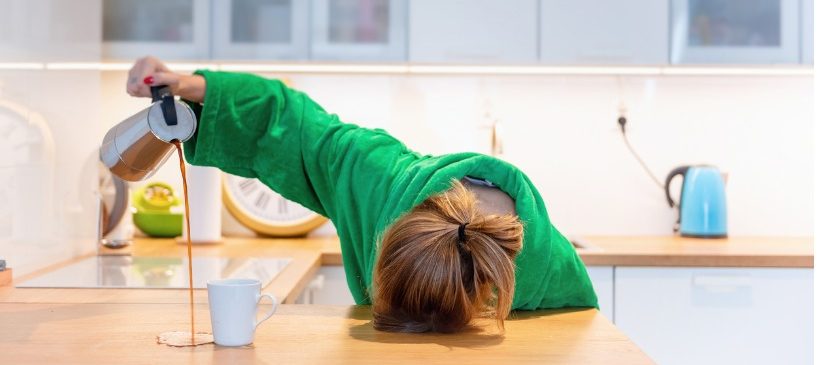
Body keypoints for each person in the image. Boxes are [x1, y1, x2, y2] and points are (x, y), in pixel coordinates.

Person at [126, 56, 597, 333]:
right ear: (386, 230)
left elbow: (576, 337)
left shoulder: (547, 270)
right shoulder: (374, 178)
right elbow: (291, 123)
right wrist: (193, 87)